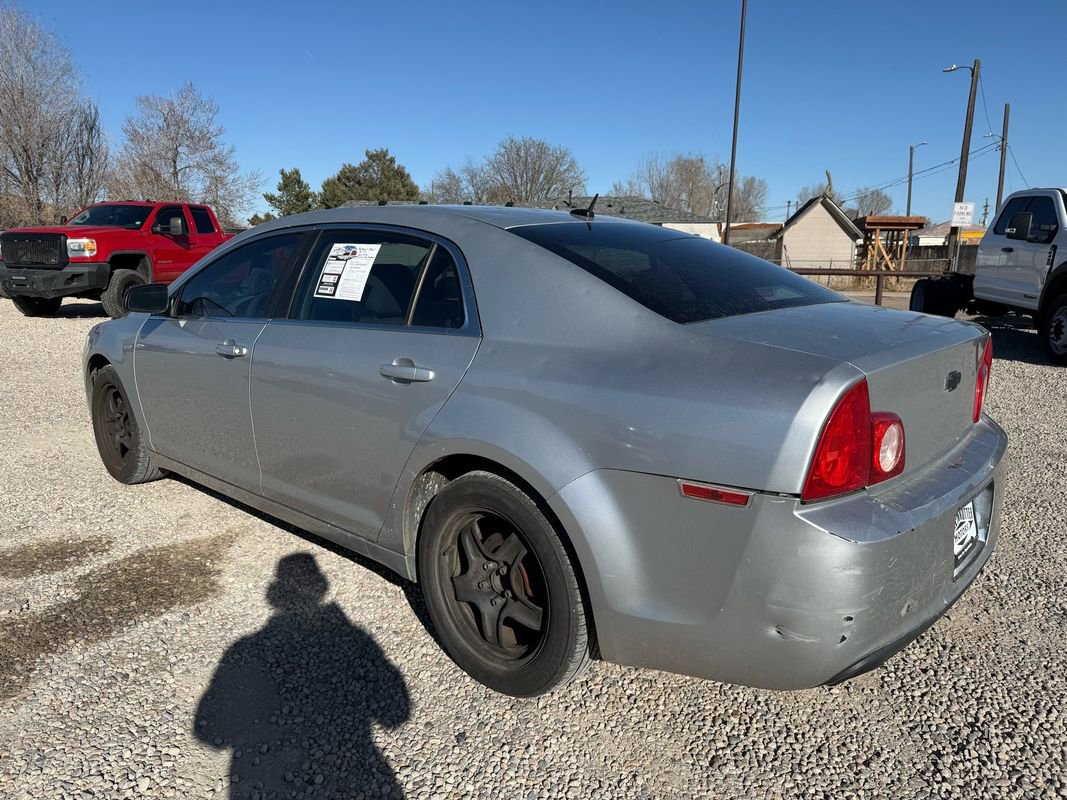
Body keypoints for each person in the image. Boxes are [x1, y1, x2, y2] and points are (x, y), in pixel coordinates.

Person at [195, 553, 410, 799]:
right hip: (358, 768)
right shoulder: (356, 639)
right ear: (321, 587)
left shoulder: (244, 648)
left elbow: (209, 732)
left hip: (262, 778)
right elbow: (396, 713)